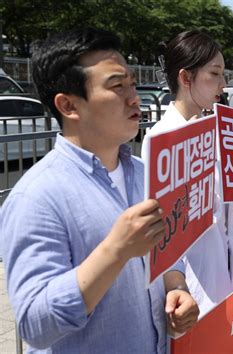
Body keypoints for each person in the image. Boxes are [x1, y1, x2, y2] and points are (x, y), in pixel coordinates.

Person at [0, 28, 199, 353]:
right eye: (116, 86)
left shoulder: (144, 174)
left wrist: (176, 286)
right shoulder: (34, 197)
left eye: (132, 84)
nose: (134, 97)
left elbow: (168, 252)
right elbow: (34, 325)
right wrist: (115, 252)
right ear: (68, 105)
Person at [142, 30, 233, 318]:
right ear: (186, 78)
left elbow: (219, 217)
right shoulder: (162, 141)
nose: (223, 85)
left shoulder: (215, 132)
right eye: (215, 74)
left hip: (226, 279)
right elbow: (163, 234)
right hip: (191, 290)